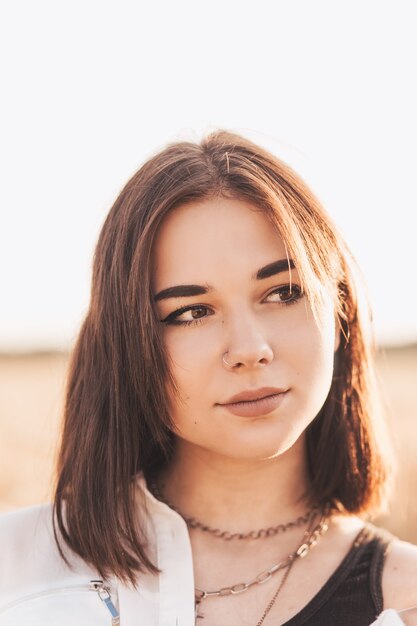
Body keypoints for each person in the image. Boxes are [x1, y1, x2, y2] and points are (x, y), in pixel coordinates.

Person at [0, 131, 416, 626]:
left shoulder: (402, 598)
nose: (249, 350)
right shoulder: (17, 574)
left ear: (339, 310)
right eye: (192, 311)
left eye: (284, 293)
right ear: (127, 342)